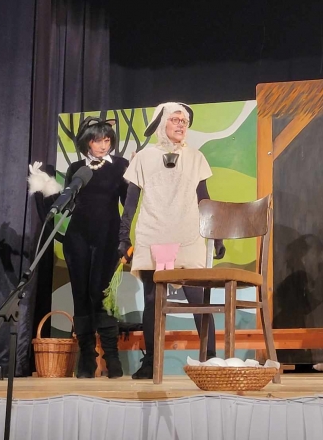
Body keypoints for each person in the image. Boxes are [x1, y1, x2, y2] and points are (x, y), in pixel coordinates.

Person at [119, 102, 224, 379]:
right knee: (153, 300)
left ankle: (210, 360)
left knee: (198, 299)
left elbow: (204, 199)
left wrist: (216, 235)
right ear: (161, 122)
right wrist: (123, 236)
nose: (181, 125)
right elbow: (131, 201)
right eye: (175, 119)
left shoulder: (195, 157)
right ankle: (151, 362)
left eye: (184, 121)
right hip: (153, 234)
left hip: (187, 235)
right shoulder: (143, 158)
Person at [28, 118, 129, 378]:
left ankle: (112, 357)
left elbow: (128, 204)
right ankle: (86, 358)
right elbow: (68, 203)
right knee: (81, 297)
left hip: (107, 239)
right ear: (87, 143)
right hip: (78, 240)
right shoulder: (76, 168)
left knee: (102, 295)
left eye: (107, 140)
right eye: (97, 140)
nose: (103, 145)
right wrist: (44, 186)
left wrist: (125, 239)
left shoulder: (121, 166)